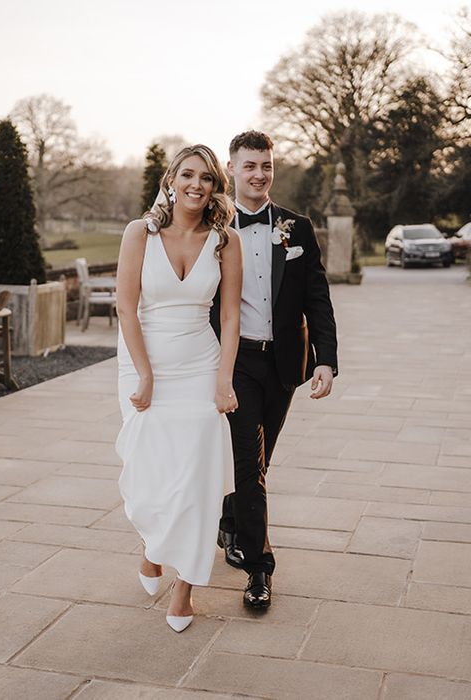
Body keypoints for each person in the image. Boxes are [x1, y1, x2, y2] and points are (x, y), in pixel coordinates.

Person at [115, 144, 243, 633]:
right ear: (171, 180)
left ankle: (185, 586)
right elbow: (127, 308)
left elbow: (229, 315)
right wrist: (145, 374)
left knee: (197, 477)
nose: (196, 184)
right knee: (150, 474)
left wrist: (224, 379)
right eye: (187, 174)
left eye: (206, 178)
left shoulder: (224, 241)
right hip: (143, 359)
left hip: (200, 362)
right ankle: (151, 550)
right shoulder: (139, 234)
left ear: (214, 187)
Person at [211, 130, 338, 609]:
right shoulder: (215, 229)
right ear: (232, 169)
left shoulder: (296, 228)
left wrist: (325, 358)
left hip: (284, 362)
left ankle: (231, 515)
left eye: (266, 166)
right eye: (250, 166)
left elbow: (317, 296)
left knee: (258, 463)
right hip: (237, 360)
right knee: (250, 460)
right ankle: (259, 569)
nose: (259, 174)